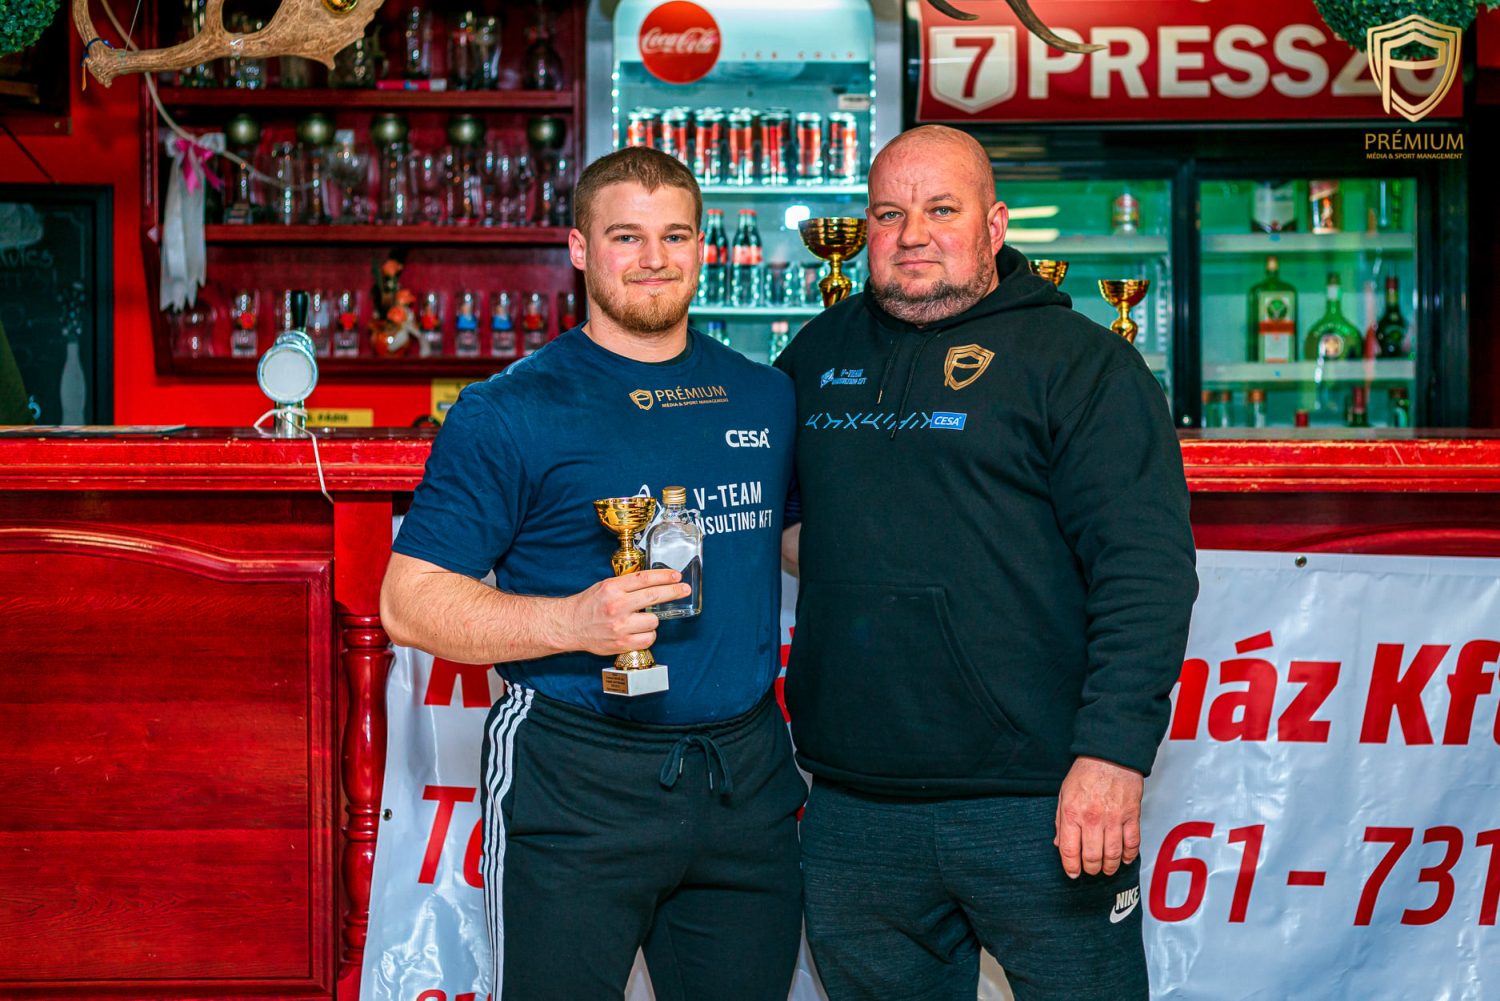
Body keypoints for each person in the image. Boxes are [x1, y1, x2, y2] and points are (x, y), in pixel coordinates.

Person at [774, 125, 1198, 1000]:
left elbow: (1146, 572)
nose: (912, 235)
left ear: (995, 226)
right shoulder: (816, 355)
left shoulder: (1086, 365)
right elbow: (779, 519)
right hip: (856, 809)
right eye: (888, 214)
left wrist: (1113, 757)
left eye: (942, 210)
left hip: (1042, 802)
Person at [380, 146, 805, 1001]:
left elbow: (790, 537)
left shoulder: (764, 394)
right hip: (574, 779)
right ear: (579, 248)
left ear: (702, 247)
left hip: (745, 781)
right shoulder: (509, 409)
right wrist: (570, 623)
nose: (654, 258)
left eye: (675, 235)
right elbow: (409, 602)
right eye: (626, 236)